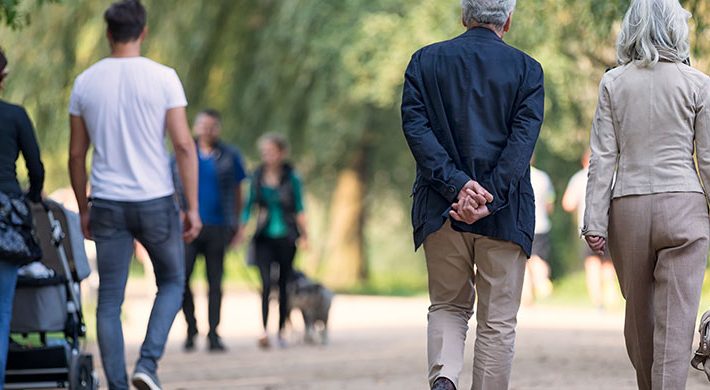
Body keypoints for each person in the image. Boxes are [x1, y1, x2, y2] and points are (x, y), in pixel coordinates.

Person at [401, 0, 544, 388]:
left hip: (441, 208)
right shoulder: (527, 70)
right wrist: (488, 197)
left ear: (465, 16)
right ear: (508, 20)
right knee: (497, 321)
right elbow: (521, 144)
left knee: (448, 305)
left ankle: (445, 378)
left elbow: (417, 131)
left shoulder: (424, 62)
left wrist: (457, 186)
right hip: (504, 213)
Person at [67, 1, 201, 389]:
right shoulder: (163, 78)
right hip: (156, 200)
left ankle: (119, 385)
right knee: (173, 280)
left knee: (109, 301)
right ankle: (147, 364)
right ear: (143, 32)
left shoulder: (86, 82)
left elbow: (77, 154)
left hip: (106, 202)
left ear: (109, 34)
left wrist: (82, 209)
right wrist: (191, 207)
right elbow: (183, 146)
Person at [583, 0, 710, 388]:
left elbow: (603, 156)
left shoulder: (613, 82)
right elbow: (707, 159)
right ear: (677, 29)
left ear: (631, 29)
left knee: (639, 316)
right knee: (676, 319)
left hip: (629, 210)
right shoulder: (698, 84)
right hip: (685, 208)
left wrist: (593, 220)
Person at [177, 109, 246, 352]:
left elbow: (239, 191)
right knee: (183, 279)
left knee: (215, 282)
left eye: (212, 125)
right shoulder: (183, 152)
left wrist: (237, 223)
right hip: (188, 228)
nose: (207, 129)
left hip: (219, 226)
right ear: (196, 126)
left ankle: (214, 333)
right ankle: (191, 328)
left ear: (218, 128)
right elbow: (172, 187)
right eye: (203, 124)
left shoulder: (230, 155)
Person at [0, 48, 45, 390]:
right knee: (1, 314)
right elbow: (36, 169)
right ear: (3, 77)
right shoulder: (14, 115)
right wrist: (30, 199)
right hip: (5, 222)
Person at [241, 133, 308, 349]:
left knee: (284, 284)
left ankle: (280, 331)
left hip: (287, 236)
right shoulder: (257, 176)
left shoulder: (292, 177)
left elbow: (299, 207)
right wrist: (241, 231)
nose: (267, 156)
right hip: (263, 237)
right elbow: (249, 206)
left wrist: (305, 235)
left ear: (281, 153)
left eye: (271, 151)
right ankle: (263, 330)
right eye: (264, 152)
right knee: (265, 284)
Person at [562, 150, 617, 310]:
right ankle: (612, 297)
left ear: (584, 161)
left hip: (588, 227)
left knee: (592, 265)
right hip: (609, 227)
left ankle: (597, 302)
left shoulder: (579, 178)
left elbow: (568, 203)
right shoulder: (612, 175)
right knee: (609, 264)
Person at [522, 164, 554, 304]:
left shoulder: (517, 174)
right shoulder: (543, 177)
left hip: (522, 224)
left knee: (524, 261)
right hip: (541, 224)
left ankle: (527, 294)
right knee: (538, 258)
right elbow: (549, 204)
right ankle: (542, 281)